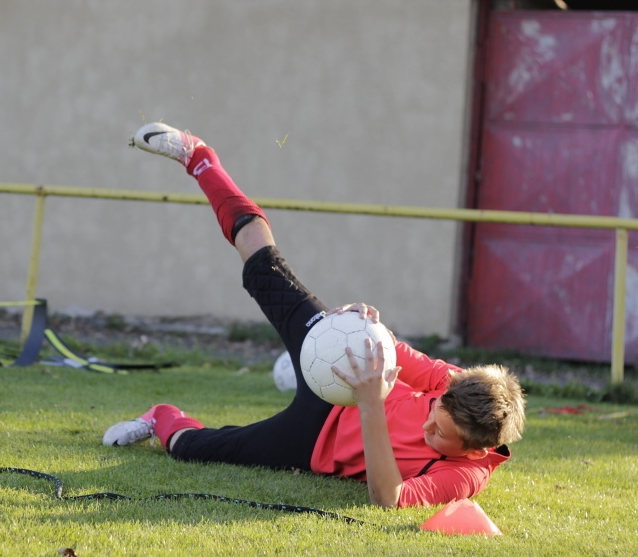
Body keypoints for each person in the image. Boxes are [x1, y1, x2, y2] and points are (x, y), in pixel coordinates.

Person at [103, 122, 526, 509]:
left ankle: (161, 414)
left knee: (190, 449)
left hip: (311, 442)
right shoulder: (455, 384)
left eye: (439, 433)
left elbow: (390, 499)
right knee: (262, 261)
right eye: (435, 414)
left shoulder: (465, 475)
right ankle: (199, 158)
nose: (429, 425)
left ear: (473, 449)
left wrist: (370, 406)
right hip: (336, 369)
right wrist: (360, 327)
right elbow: (393, 352)